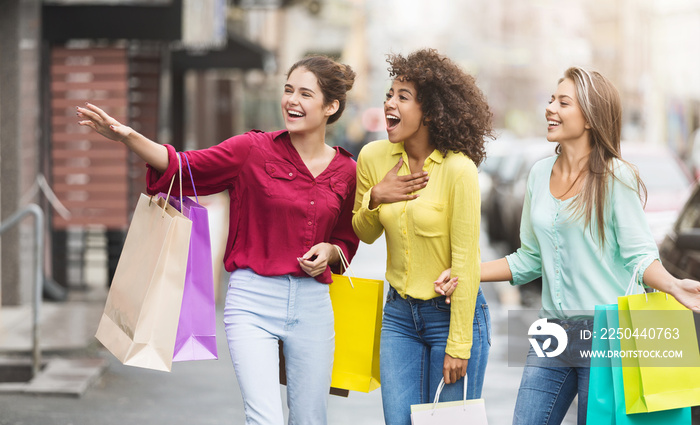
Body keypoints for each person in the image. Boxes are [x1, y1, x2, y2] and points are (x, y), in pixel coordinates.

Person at [77, 55, 360, 425]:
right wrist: (128, 136)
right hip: (252, 301)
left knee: (310, 419)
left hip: (313, 307)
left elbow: (346, 238)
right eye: (288, 90)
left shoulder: (347, 170)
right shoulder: (252, 150)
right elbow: (182, 165)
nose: (292, 100)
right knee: (265, 419)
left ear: (331, 107)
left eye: (305, 94)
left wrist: (331, 251)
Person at [436, 67, 700, 425]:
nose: (550, 109)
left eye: (563, 102)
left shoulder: (615, 177)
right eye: (550, 100)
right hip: (553, 331)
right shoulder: (539, 174)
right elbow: (529, 259)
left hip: (607, 335)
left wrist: (672, 285)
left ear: (590, 117)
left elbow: (640, 257)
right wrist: (468, 274)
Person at [352, 48, 493, 425]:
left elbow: (465, 260)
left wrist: (459, 344)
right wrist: (374, 198)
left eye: (402, 96)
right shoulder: (373, 158)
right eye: (388, 95)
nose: (389, 104)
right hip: (398, 315)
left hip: (449, 316)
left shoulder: (458, 170)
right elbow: (364, 234)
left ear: (429, 112)